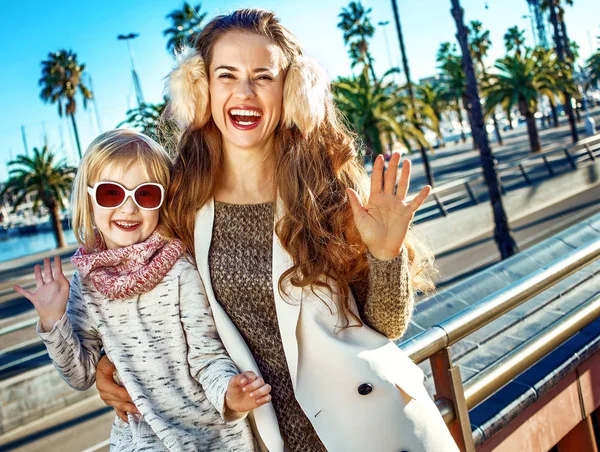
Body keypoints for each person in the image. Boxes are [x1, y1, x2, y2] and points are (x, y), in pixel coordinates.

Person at [96, 9, 459, 452]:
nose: (244, 92)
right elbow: (141, 301)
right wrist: (107, 362)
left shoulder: (329, 187)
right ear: (201, 88)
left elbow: (386, 325)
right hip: (264, 439)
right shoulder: (180, 204)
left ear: (290, 90)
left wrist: (386, 254)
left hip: (371, 431)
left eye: (263, 77)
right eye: (226, 75)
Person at [14, 129, 272, 451]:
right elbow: (80, 374)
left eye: (146, 194)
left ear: (162, 201)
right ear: (89, 198)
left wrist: (230, 392)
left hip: (211, 440)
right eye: (112, 194)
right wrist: (54, 321)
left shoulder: (180, 270)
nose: (128, 208)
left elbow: (206, 355)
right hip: (137, 442)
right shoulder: (86, 283)